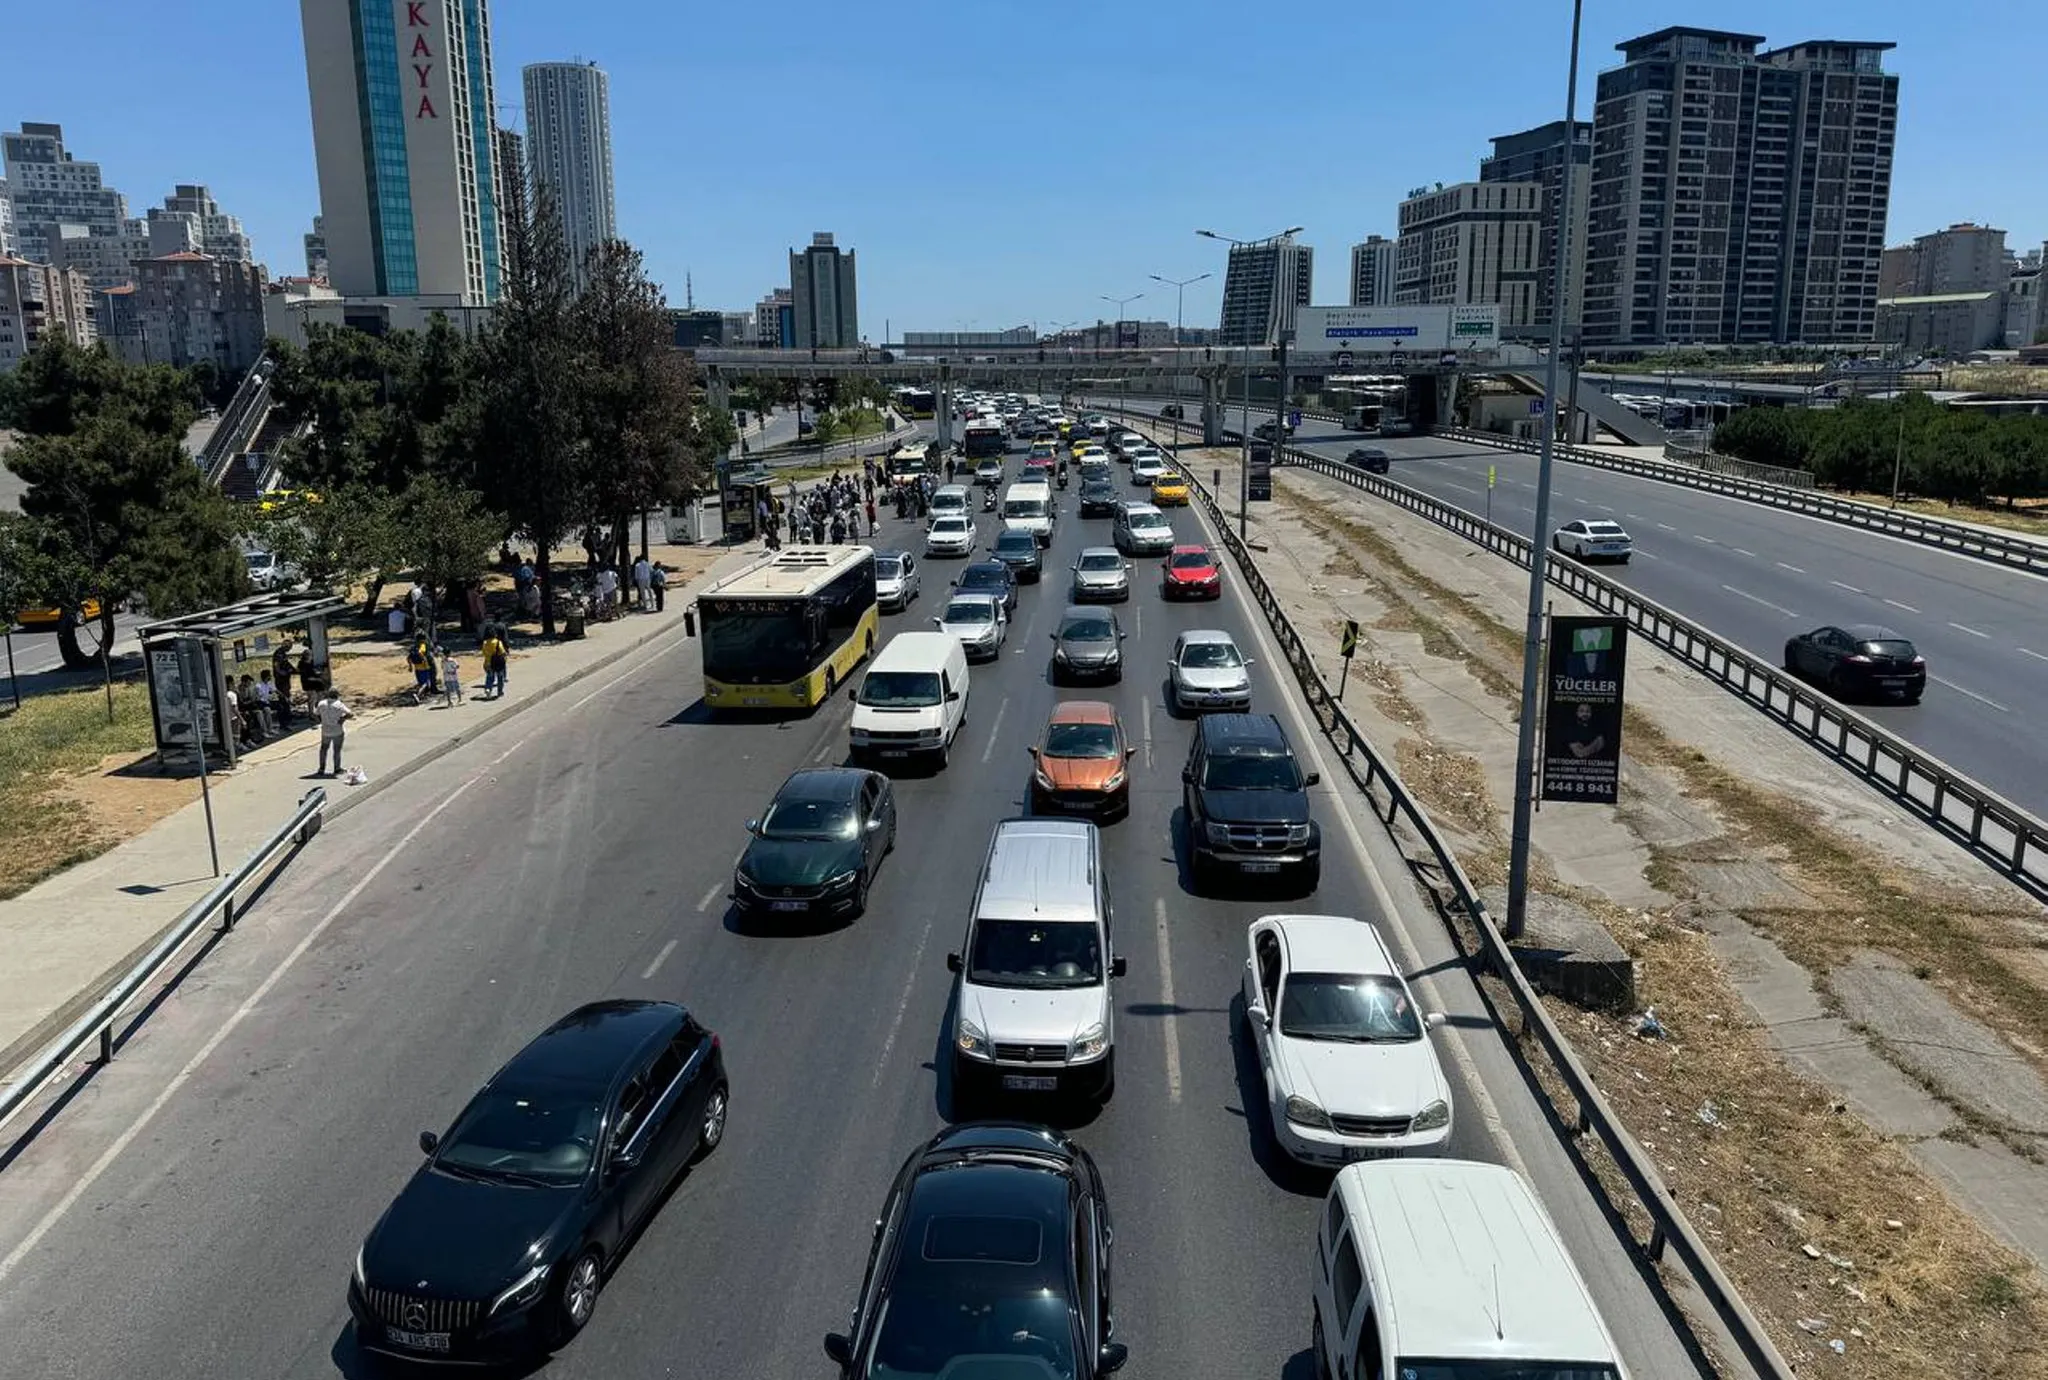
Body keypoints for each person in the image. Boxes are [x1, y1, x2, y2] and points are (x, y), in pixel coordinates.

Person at [316, 687, 352, 777]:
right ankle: (337, 768)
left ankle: (321, 768)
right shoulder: (338, 704)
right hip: (337, 730)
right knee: (337, 750)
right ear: (336, 695)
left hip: (325, 731)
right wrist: (342, 719)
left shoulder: (321, 703)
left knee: (323, 749)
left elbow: (316, 714)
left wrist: (322, 721)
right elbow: (350, 714)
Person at [271, 640, 296, 725]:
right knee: (283, 699)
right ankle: (285, 720)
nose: (289, 649)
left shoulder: (283, 653)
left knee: (287, 697)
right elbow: (276, 666)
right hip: (280, 680)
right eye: (289, 647)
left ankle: (288, 717)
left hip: (285, 679)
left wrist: (294, 670)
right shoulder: (278, 653)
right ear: (285, 646)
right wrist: (282, 672)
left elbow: (287, 664)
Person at [481, 631, 509, 699]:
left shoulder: (485, 643)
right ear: (494, 635)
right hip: (497, 663)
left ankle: (488, 689)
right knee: (500, 678)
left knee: (490, 677)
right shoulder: (498, 642)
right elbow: (502, 652)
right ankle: (500, 692)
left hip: (488, 663)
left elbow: (483, 653)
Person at [407, 636, 435, 704]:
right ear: (422, 640)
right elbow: (422, 655)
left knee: (421, 683)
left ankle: (419, 697)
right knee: (426, 683)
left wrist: (410, 666)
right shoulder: (422, 645)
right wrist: (426, 665)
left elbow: (409, 658)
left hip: (417, 668)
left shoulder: (414, 647)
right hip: (424, 668)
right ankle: (417, 695)